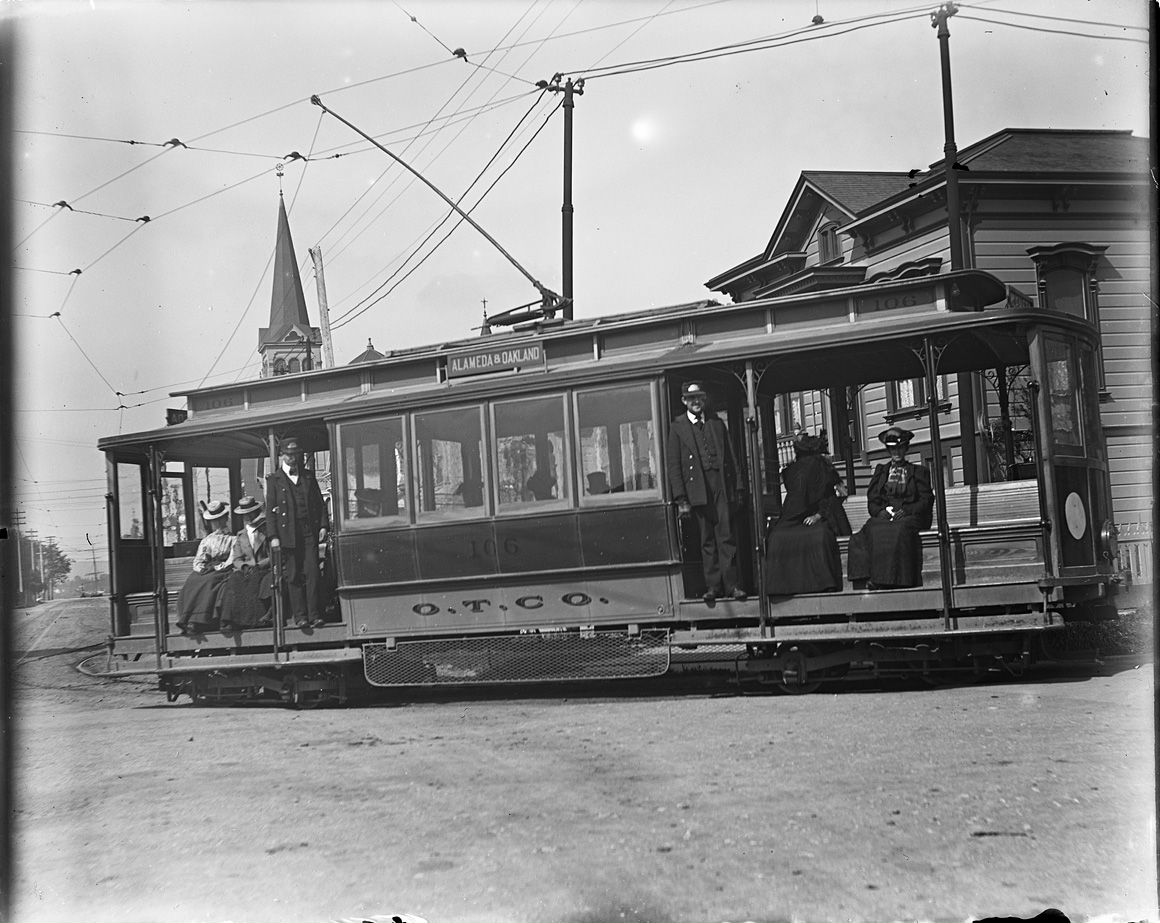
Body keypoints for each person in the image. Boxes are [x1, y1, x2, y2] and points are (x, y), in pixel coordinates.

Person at [666, 381, 746, 602]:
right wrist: (682, 498)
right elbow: (674, 466)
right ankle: (713, 587)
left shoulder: (717, 424)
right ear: (684, 401)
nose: (696, 402)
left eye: (700, 398)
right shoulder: (677, 427)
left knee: (726, 536)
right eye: (692, 399)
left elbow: (731, 458)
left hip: (720, 484)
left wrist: (738, 487)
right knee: (707, 539)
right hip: (697, 489)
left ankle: (732, 585)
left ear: (704, 399)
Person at [848, 426, 934, 588]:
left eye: (900, 448)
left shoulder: (917, 472)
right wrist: (880, 511)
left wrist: (907, 510)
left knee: (899, 530)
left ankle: (895, 581)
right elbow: (872, 499)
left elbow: (926, 499)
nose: (897, 453)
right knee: (872, 528)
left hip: (909, 515)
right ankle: (871, 578)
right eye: (893, 449)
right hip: (886, 515)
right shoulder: (882, 471)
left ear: (906, 449)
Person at [764, 433, 847, 595]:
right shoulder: (795, 471)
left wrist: (818, 516)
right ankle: (781, 588)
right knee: (776, 537)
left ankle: (823, 584)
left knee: (819, 536)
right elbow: (794, 501)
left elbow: (830, 501)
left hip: (820, 517)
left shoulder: (822, 469)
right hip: (795, 519)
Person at [265, 435, 330, 629]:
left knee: (312, 573)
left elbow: (320, 504)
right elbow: (270, 511)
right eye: (289, 455)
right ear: (282, 456)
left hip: (308, 531)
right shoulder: (274, 480)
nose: (293, 458)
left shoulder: (308, 476)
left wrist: (324, 526)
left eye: (296, 455)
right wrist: (274, 536)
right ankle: (300, 617)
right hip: (287, 535)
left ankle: (314, 614)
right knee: (292, 575)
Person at [175, 500, 235, 635]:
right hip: (208, 568)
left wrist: (218, 567)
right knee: (193, 580)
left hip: (223, 569)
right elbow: (199, 559)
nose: (217, 524)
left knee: (210, 581)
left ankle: (202, 619)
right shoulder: (207, 540)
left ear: (225, 519)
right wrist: (201, 568)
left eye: (220, 520)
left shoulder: (233, 539)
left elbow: (232, 559)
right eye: (214, 521)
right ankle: (190, 620)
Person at [217, 495, 272, 631]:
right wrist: (244, 566)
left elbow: (273, 555)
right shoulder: (241, 535)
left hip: (263, 568)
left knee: (255, 579)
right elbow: (237, 558)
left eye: (250, 514)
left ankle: (254, 620)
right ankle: (230, 620)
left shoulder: (267, 531)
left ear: (256, 513)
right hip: (246, 569)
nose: (247, 517)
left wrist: (259, 565)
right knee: (234, 579)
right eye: (244, 515)